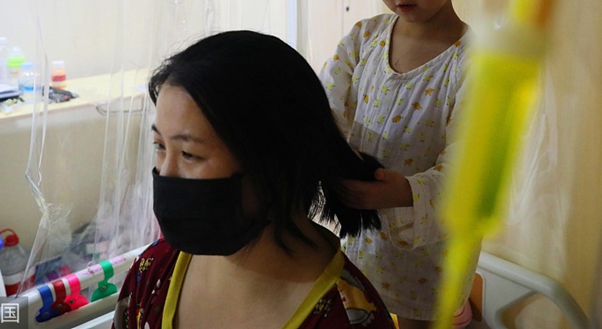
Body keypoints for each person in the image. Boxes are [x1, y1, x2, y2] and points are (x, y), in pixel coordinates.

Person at [113, 31, 396, 329]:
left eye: (189, 154)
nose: (166, 174)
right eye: (160, 146)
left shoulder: (349, 318)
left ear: (276, 162)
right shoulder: (155, 270)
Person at [319, 0, 481, 329]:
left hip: (432, 257)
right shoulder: (364, 38)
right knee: (359, 311)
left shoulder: (473, 63)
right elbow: (324, 108)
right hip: (364, 241)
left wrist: (403, 192)